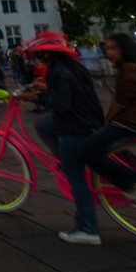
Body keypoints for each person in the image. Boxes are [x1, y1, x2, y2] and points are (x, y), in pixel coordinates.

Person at [21, 32, 105, 245]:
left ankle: (88, 228)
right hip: (90, 123)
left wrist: (37, 97)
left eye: (41, 53)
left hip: (74, 128)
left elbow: (61, 105)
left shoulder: (57, 72)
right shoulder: (74, 68)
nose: (39, 57)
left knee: (76, 179)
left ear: (49, 53)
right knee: (43, 124)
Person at [76, 33, 136, 219]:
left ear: (125, 49)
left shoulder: (129, 69)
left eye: (113, 48)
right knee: (102, 145)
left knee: (86, 151)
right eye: (106, 49)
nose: (109, 53)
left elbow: (121, 101)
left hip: (132, 122)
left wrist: (108, 120)